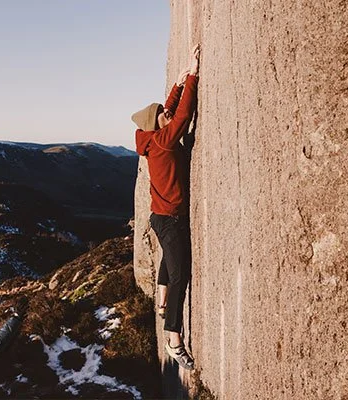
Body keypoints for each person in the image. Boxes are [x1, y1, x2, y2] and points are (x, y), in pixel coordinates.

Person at [132, 44, 200, 370]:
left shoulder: (150, 139)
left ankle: (161, 300)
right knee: (180, 274)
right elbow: (183, 116)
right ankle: (173, 336)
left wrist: (178, 81)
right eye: (162, 114)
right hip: (170, 220)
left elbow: (169, 111)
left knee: (170, 261)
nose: (166, 112)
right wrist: (195, 77)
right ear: (157, 124)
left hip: (161, 218)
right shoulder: (162, 142)